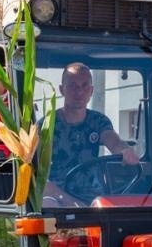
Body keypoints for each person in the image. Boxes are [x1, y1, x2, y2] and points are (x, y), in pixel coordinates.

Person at [43, 63, 140, 207]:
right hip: (59, 199)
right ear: (62, 89)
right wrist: (72, 204)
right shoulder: (46, 126)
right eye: (73, 86)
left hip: (93, 199)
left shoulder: (98, 121)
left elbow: (114, 142)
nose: (79, 92)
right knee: (47, 204)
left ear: (91, 90)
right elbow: (36, 175)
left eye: (84, 86)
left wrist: (125, 150)